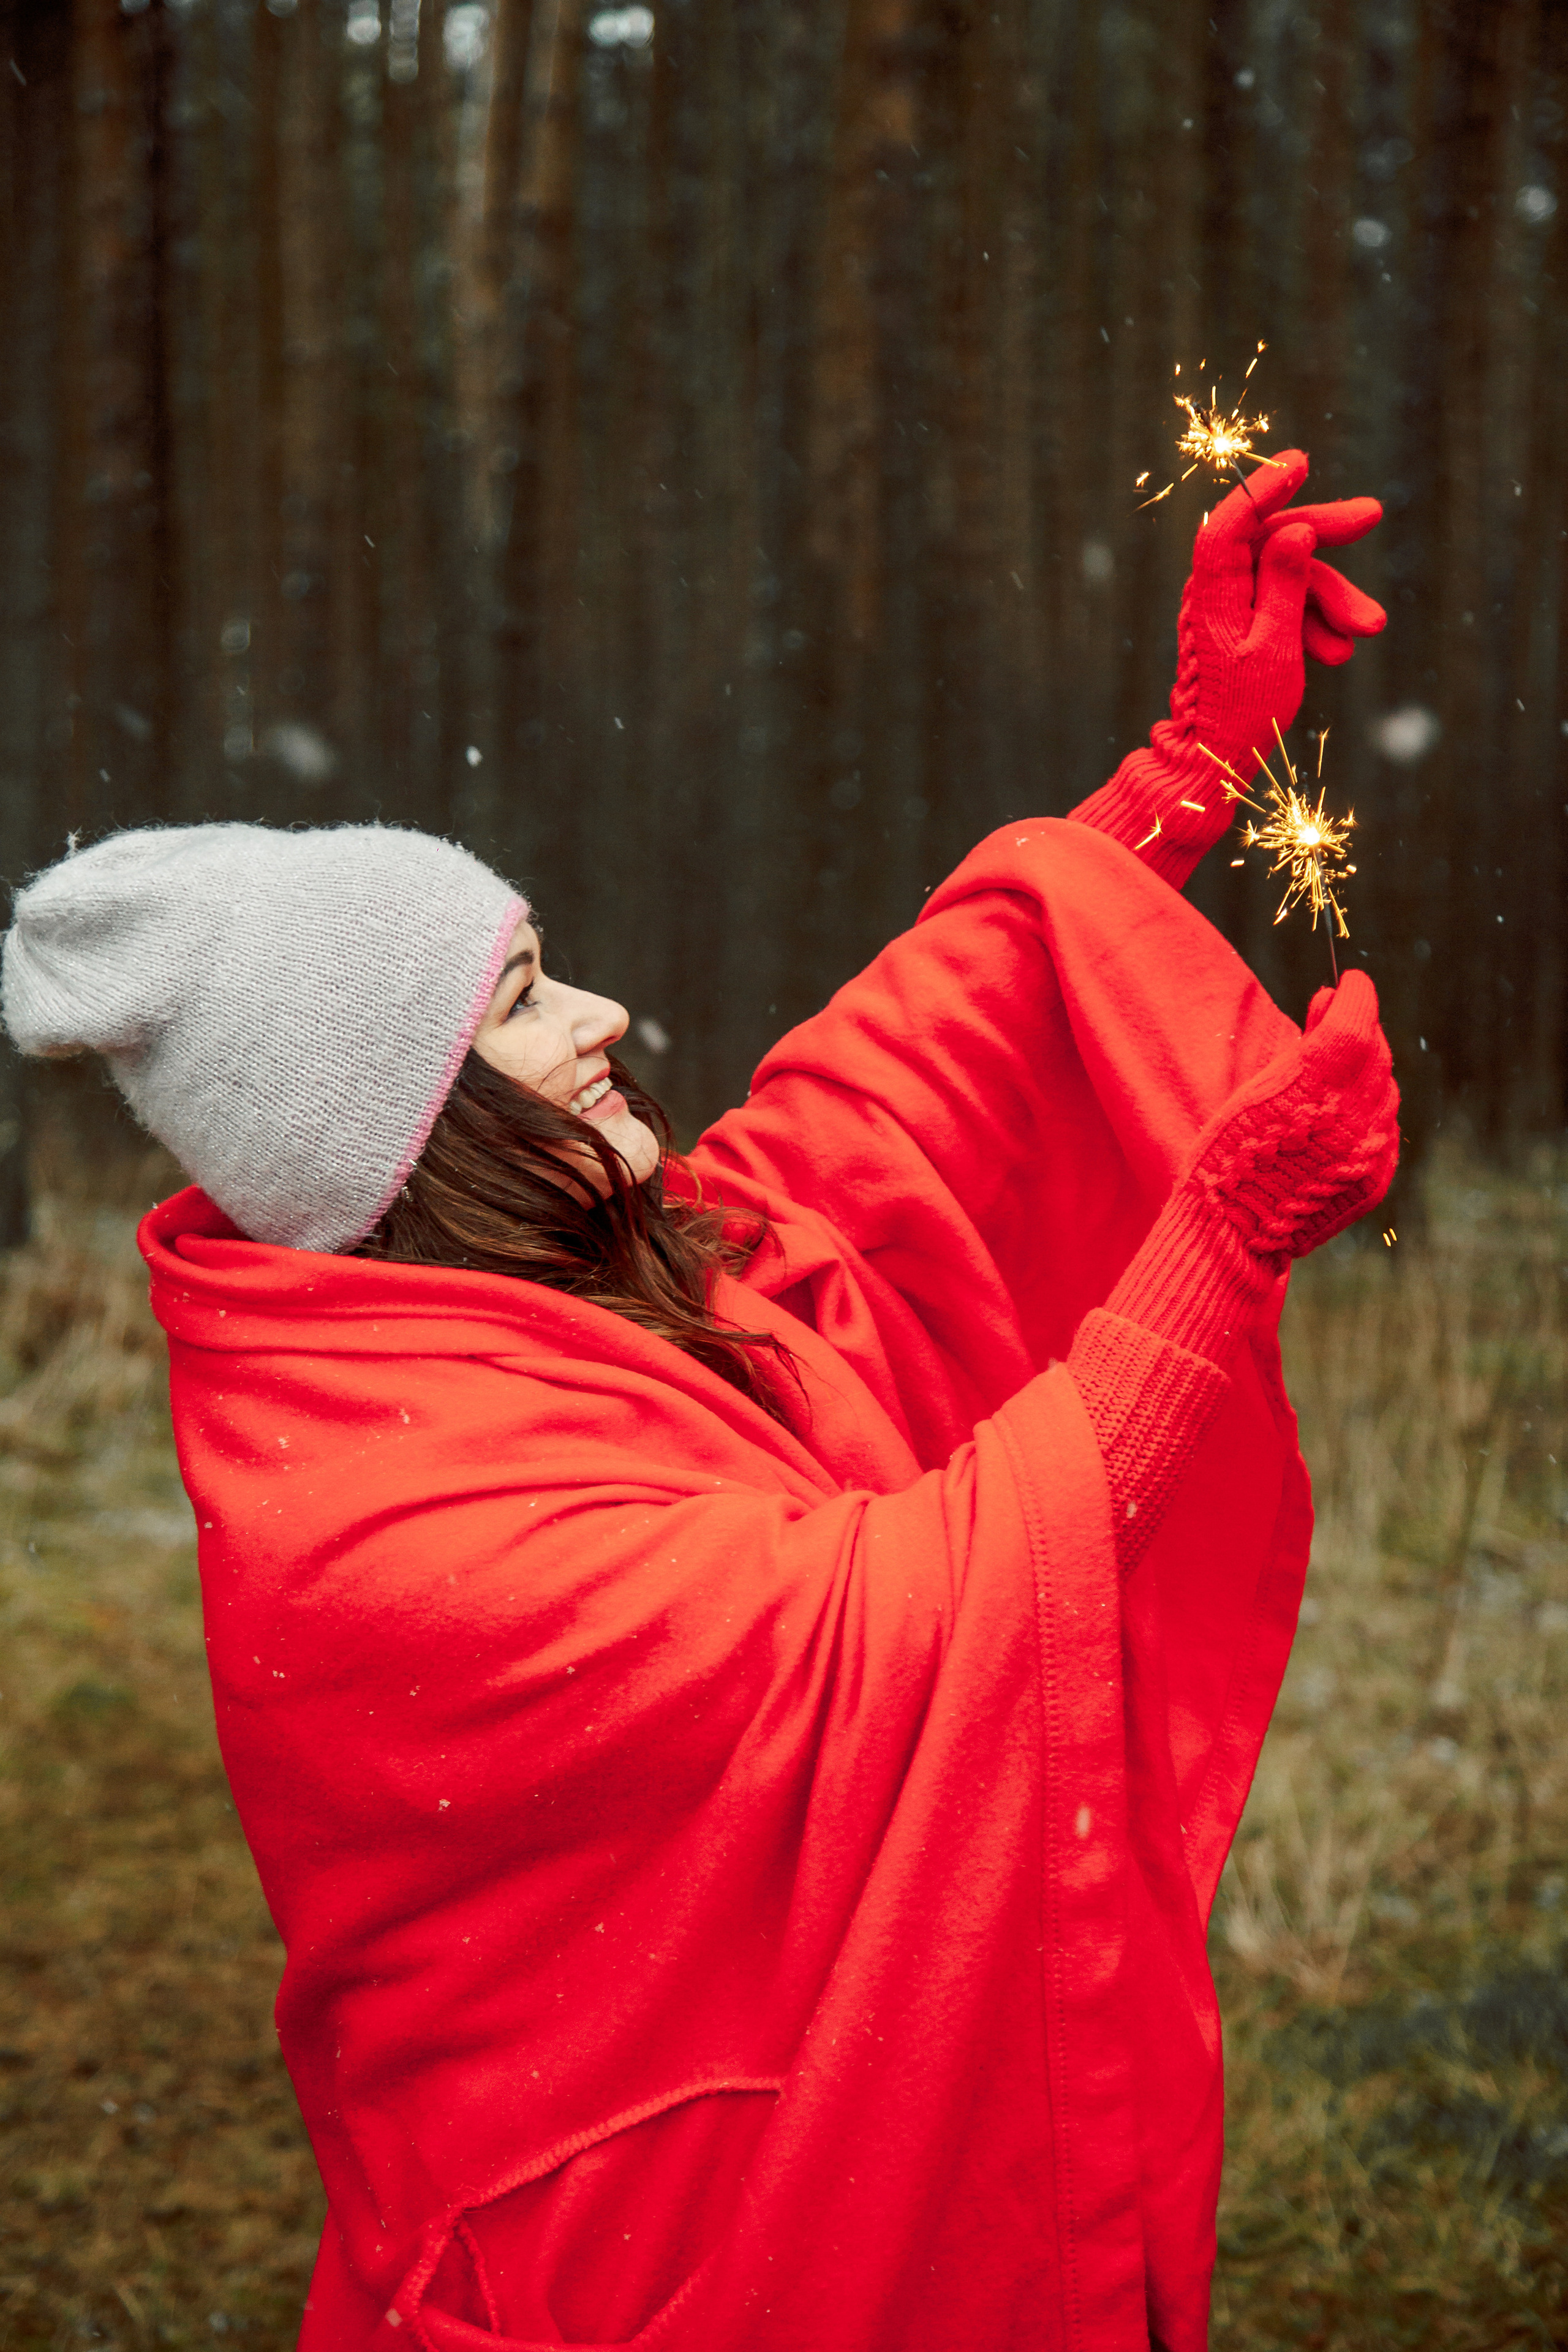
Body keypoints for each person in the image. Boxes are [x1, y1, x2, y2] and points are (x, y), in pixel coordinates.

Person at [3, 453, 1396, 2352]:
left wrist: (1189, 764)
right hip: (649, 2266)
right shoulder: (382, 1536)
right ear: (398, 1139)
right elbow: (905, 1621)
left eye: (549, 972)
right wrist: (1215, 1242)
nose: (600, 1022)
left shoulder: (589, 1281)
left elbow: (899, 1085)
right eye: (518, 1004)